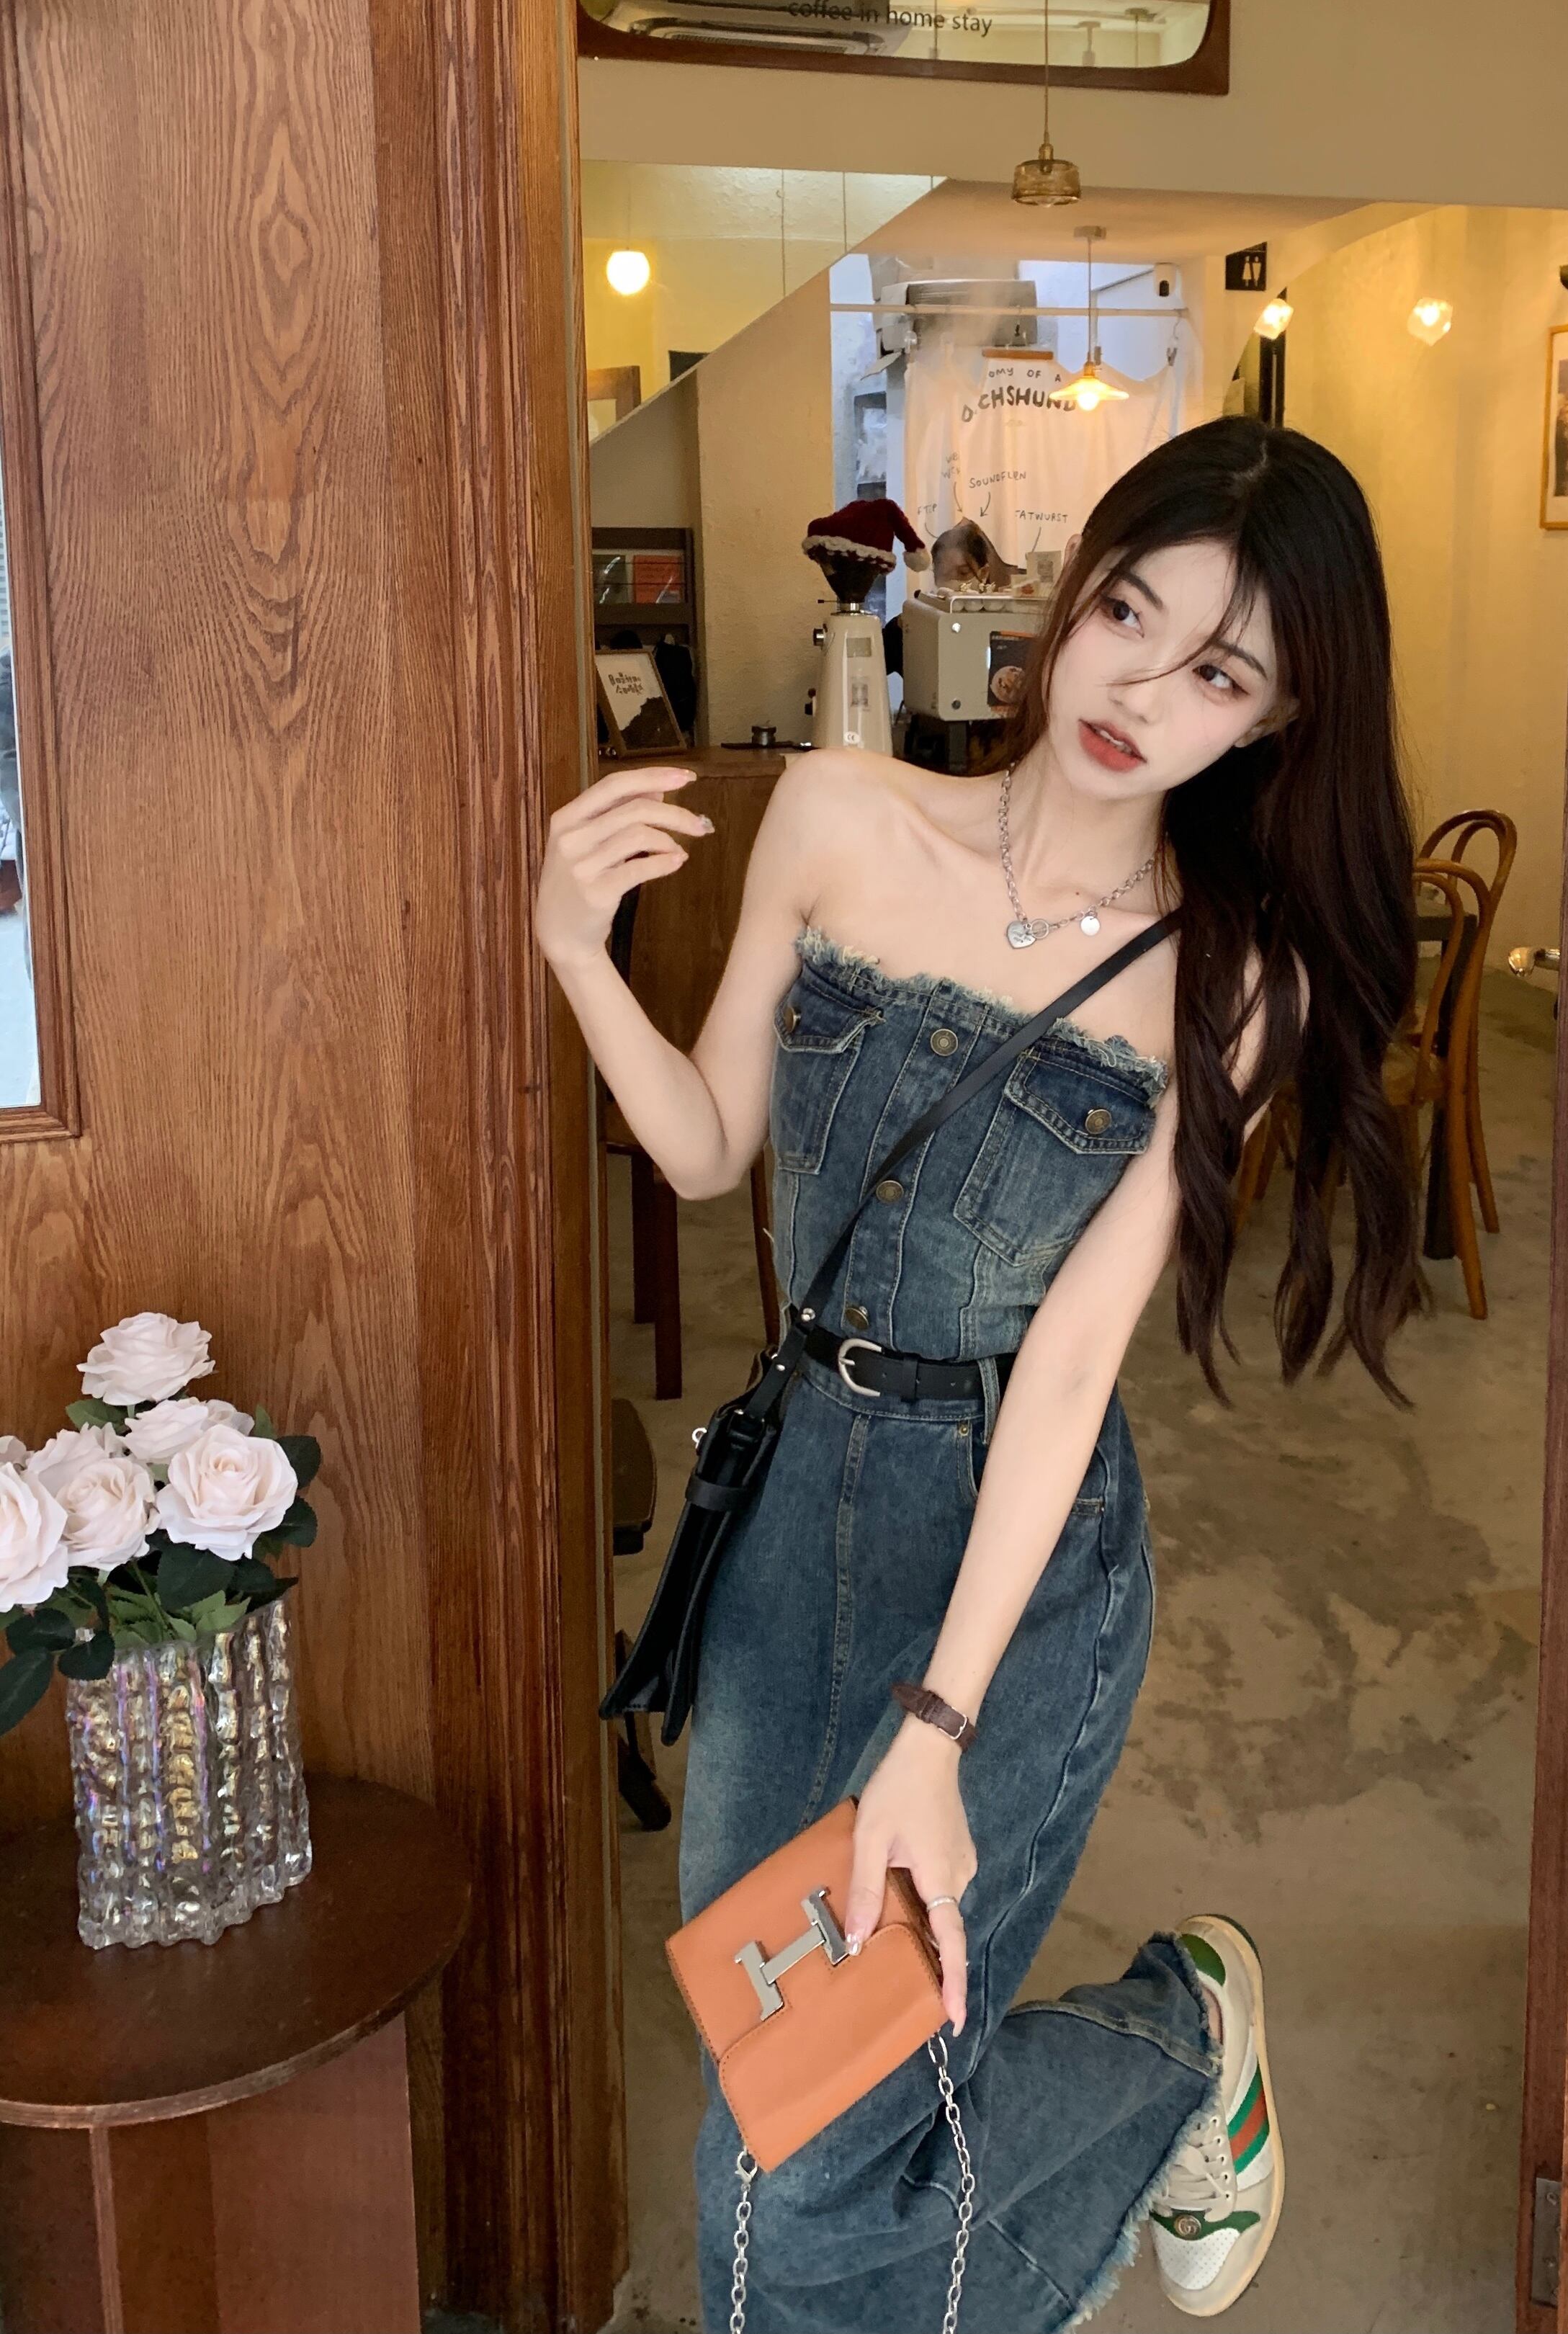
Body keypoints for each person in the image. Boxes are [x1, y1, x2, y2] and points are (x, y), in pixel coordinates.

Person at [537, 416, 1422, 2333]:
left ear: (1275, 721)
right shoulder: (839, 815)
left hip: (1013, 1556)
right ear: (1073, 584)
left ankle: (1180, 2040)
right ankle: (1168, 2053)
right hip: (787, 1522)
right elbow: (706, 1147)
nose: (1140, 691)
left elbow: (1077, 1357)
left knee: (806, 2154)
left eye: (1220, 676)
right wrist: (576, 951)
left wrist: (934, 1734)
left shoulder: (1229, 980)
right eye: (1132, 613)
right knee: (776, 2094)